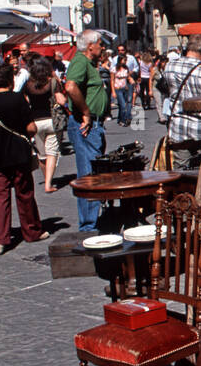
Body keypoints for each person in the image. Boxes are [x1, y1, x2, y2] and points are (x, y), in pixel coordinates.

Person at [0, 61, 49, 254]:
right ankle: (31, 231)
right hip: (17, 153)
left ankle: (1, 239)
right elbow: (31, 127)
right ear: (9, 79)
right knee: (24, 193)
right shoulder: (17, 99)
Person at [64, 30, 108, 230]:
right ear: (90, 46)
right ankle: (88, 226)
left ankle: (92, 221)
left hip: (94, 126)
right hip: (87, 126)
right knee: (89, 175)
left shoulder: (88, 63)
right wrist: (86, 113)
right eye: (100, 43)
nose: (103, 47)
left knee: (93, 172)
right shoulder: (80, 62)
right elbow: (71, 86)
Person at [162, 34, 201, 168]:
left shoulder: (169, 67)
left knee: (180, 168)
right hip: (200, 127)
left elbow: (165, 88)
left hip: (178, 126)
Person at [24, 55, 66, 193]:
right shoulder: (52, 82)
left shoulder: (28, 84)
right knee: (52, 152)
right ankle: (48, 183)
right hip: (51, 120)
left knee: (42, 154)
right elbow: (61, 101)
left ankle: (46, 177)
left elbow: (26, 103)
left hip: (35, 121)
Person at [112, 55, 135, 126]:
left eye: (126, 60)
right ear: (120, 60)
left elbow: (127, 77)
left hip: (124, 88)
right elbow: (112, 80)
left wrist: (131, 80)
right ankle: (123, 120)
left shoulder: (126, 68)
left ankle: (121, 119)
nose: (125, 62)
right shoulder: (115, 69)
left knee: (123, 104)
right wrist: (113, 91)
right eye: (124, 60)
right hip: (117, 88)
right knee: (122, 105)